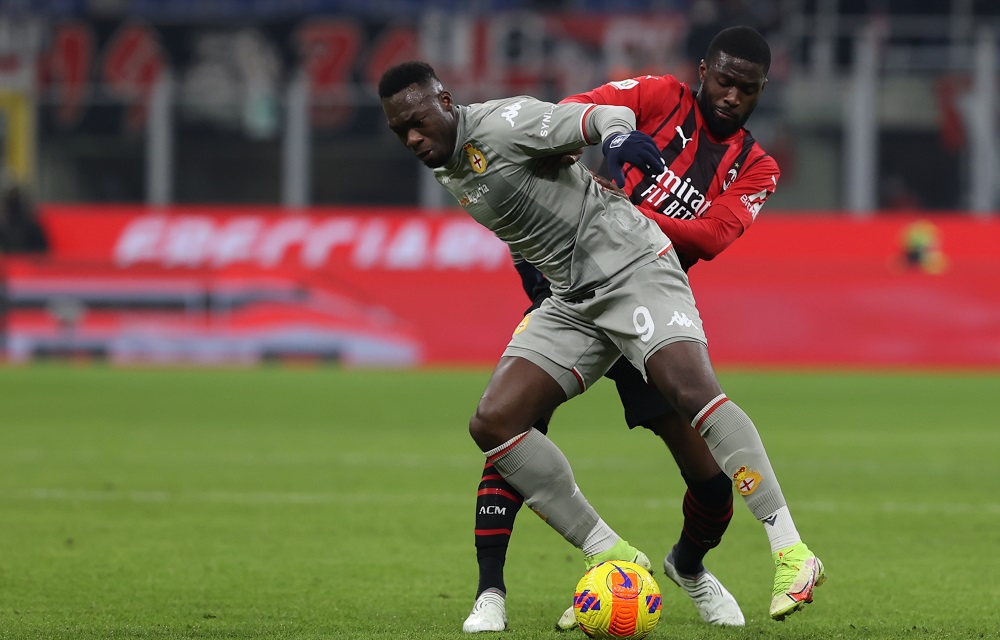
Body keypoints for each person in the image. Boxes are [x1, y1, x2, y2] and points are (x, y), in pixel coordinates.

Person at [379, 56, 824, 634]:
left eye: (419, 121)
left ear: (445, 102)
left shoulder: (503, 123)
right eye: (399, 131)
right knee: (495, 421)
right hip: (572, 298)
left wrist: (615, 138)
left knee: (693, 392)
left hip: (633, 265)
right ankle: (609, 553)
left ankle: (791, 551)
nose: (413, 138)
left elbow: (597, 116)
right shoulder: (449, 159)